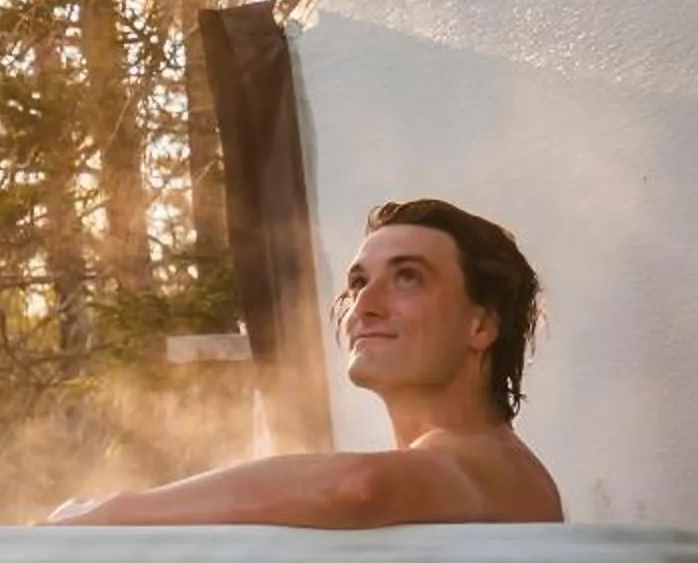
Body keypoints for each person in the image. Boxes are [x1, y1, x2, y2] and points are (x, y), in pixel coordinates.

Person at [43, 197, 564, 527]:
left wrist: (118, 512)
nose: (364, 305)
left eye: (408, 277)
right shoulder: (457, 466)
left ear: (480, 326)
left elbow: (355, 488)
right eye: (359, 282)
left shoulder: (484, 459)